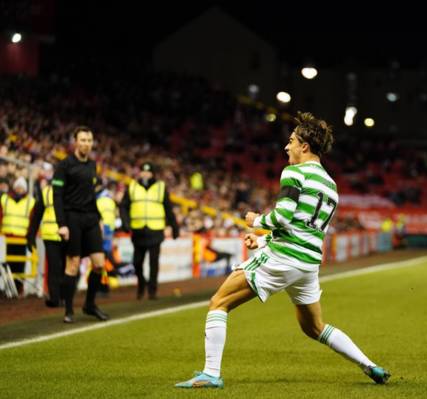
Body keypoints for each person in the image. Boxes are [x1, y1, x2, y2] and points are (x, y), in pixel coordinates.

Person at [175, 112, 390, 389]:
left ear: (305, 146)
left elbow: (283, 217)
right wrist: (263, 241)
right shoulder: (331, 185)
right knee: (314, 328)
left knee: (219, 303)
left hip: (283, 258)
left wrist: (257, 222)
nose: (286, 147)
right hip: (307, 264)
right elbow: (305, 229)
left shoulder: (294, 172)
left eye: (291, 141)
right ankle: (370, 365)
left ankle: (211, 373)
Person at [52, 126, 109, 323]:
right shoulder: (64, 165)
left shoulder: (93, 165)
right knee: (73, 264)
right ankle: (68, 310)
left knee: (99, 264)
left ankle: (89, 304)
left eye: (89, 140)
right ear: (75, 142)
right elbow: (57, 196)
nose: (86, 143)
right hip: (72, 218)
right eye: (83, 140)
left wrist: (99, 217)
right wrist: (62, 223)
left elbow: (91, 195)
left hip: (91, 218)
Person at [119, 162, 179, 300]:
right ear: (139, 173)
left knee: (153, 262)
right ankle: (142, 284)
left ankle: (152, 291)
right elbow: (123, 206)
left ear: (153, 173)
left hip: (156, 230)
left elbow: (168, 209)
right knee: (137, 263)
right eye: (143, 171)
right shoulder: (132, 186)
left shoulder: (160, 187)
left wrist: (174, 227)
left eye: (148, 172)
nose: (145, 174)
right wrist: (125, 223)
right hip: (138, 230)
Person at [27, 178, 66, 307]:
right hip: (51, 236)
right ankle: (56, 298)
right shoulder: (46, 192)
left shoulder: (70, 191)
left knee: (65, 267)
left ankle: (63, 296)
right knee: (55, 268)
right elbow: (37, 215)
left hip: (65, 236)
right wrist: (31, 235)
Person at [1, 177, 35, 294]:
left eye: (22, 187)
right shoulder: (4, 199)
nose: (19, 189)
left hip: (22, 239)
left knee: (20, 265)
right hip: (6, 238)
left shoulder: (30, 202)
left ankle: (18, 288)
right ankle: (7, 288)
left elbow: (33, 219)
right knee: (7, 265)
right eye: (18, 187)